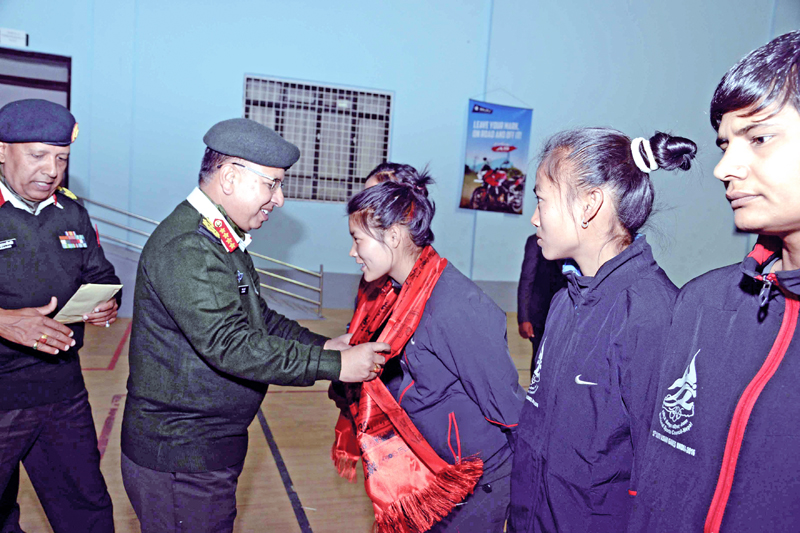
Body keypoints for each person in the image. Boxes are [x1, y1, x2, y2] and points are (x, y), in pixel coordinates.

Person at [120, 118, 388, 533]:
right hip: (180, 456)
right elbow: (232, 345)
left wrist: (327, 346)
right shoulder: (188, 246)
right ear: (230, 177)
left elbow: (259, 318)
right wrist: (335, 366)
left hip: (204, 449)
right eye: (272, 184)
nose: (279, 199)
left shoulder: (220, 237)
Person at [628, 30, 800, 533]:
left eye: (759, 138)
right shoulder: (703, 302)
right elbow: (657, 476)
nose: (724, 168)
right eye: (725, 144)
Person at [508, 127, 697, 532]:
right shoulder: (564, 301)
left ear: (589, 204)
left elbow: (661, 479)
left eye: (541, 199)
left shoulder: (650, 314)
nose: (534, 216)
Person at [332, 172, 525, 533]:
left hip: (474, 481)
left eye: (357, 240)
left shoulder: (455, 306)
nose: (352, 252)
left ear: (392, 235)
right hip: (429, 472)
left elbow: (507, 408)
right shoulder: (398, 293)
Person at [0, 99, 120, 533]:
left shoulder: (71, 211)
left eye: (62, 158)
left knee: (85, 509)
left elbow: (101, 272)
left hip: (61, 389)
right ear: (1, 150)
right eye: (38, 155)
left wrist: (107, 300)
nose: (51, 169)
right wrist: (4, 320)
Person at [516, 234, 564, 371]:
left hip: (565, 313)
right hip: (540, 315)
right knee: (540, 360)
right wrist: (523, 318)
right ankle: (536, 392)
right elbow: (526, 280)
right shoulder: (534, 241)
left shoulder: (572, 239)